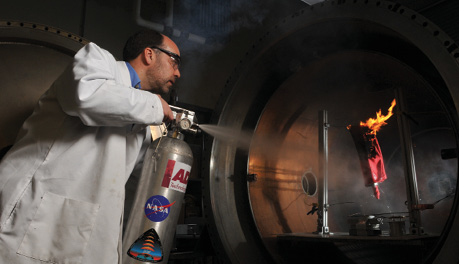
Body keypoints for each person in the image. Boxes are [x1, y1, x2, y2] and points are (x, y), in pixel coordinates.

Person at [0, 29, 180, 264]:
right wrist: (154, 105)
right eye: (174, 61)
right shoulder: (97, 60)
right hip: (36, 218)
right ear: (149, 54)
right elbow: (85, 97)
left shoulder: (142, 120)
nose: (177, 72)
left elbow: (135, 190)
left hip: (82, 235)